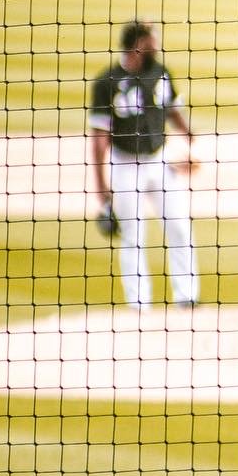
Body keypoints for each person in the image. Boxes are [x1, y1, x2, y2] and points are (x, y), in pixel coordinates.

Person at [89, 21, 200, 309]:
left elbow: (172, 109)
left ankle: (187, 296)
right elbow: (100, 138)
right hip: (125, 165)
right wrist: (102, 191)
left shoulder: (160, 73)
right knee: (133, 236)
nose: (157, 44)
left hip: (159, 160)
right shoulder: (106, 83)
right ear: (138, 44)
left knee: (179, 226)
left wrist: (189, 138)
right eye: (152, 40)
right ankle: (139, 305)